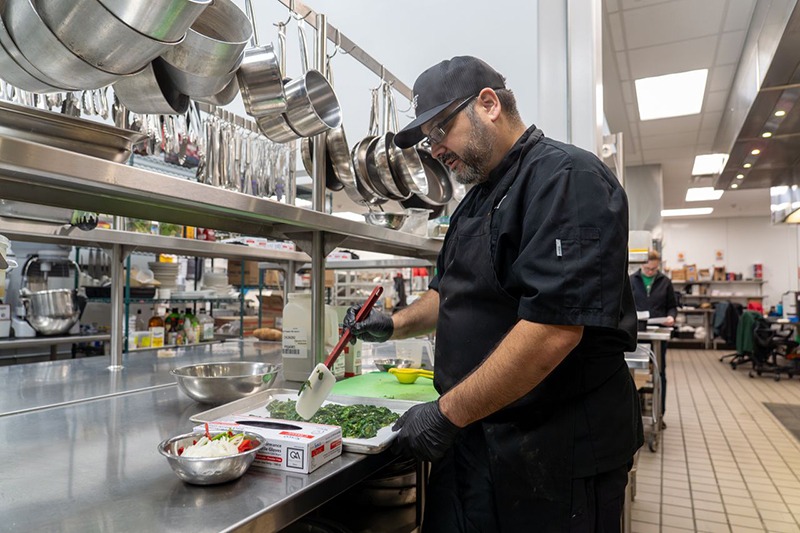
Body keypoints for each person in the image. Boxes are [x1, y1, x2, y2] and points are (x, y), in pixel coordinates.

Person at [343, 56, 642, 532]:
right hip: (474, 445)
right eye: (428, 138)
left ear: (488, 105)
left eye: (441, 128)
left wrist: (445, 414)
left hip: (552, 455)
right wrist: (394, 323)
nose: (435, 148)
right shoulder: (476, 198)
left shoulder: (566, 177)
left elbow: (553, 330)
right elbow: (453, 292)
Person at [630, 250, 677, 426]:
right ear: (642, 264)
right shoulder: (631, 281)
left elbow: (672, 306)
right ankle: (636, 410)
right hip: (637, 333)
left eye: (654, 269)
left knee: (659, 373)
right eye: (648, 269)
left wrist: (672, 316)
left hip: (657, 333)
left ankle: (659, 414)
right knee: (633, 372)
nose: (651, 272)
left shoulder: (665, 282)